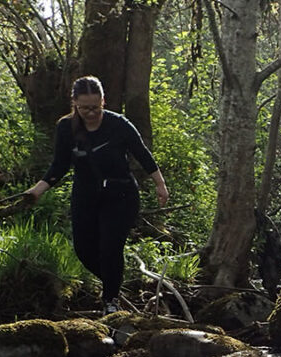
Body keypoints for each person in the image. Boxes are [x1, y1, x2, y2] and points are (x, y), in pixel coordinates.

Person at [19, 76, 169, 312]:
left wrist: (160, 184)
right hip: (86, 194)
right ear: (75, 104)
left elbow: (142, 154)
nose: (91, 113)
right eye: (84, 108)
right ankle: (114, 282)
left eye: (95, 107)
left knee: (110, 247)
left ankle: (110, 301)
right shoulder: (66, 128)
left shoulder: (119, 125)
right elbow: (59, 166)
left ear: (103, 102)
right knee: (84, 249)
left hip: (120, 194)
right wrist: (37, 191)